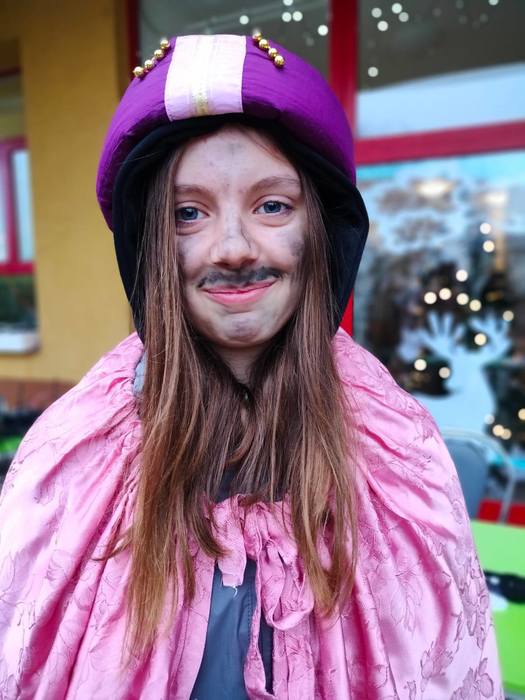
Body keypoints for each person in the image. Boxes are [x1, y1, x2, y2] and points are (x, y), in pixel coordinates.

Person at [0, 33, 502, 699]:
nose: (233, 248)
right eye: (188, 213)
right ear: (150, 245)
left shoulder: (396, 450)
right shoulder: (73, 456)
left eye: (272, 205)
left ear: (319, 230)